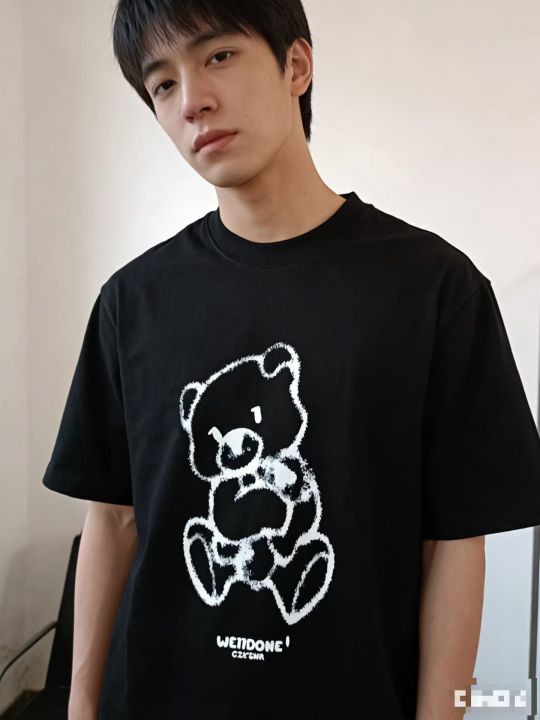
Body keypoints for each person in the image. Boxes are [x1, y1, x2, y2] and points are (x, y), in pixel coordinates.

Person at [41, 1, 540, 719]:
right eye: (162, 84)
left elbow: (456, 543)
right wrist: (80, 707)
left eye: (218, 56)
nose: (192, 101)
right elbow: (113, 520)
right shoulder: (132, 302)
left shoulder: (434, 290)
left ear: (296, 65)